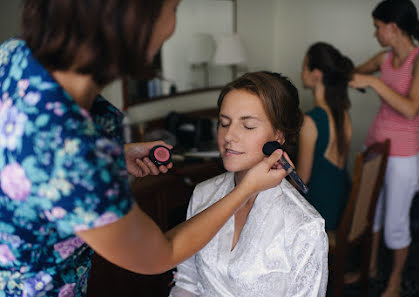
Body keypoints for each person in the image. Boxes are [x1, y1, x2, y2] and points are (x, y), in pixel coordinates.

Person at [0, 1, 289, 296]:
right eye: (173, 9)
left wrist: (110, 157)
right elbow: (164, 253)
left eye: (248, 125)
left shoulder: (14, 54)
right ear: (132, 16)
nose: (173, 28)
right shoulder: (70, 153)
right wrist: (244, 190)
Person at [169, 71, 329, 297]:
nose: (229, 136)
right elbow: (187, 283)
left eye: (248, 126)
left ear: (279, 135)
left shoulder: (304, 226)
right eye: (224, 123)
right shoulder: (203, 195)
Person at [348, 1, 419, 296]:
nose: (375, 34)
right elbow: (354, 75)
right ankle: (369, 269)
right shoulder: (383, 58)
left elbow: (411, 108)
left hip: (403, 155)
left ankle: (394, 281)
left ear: (393, 27)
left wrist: (372, 82)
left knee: (395, 223)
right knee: (370, 214)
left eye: (377, 27)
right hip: (374, 145)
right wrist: (344, 74)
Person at [297, 42, 353, 230]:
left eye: (304, 67)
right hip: (340, 205)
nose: (301, 72)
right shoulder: (343, 113)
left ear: (316, 74)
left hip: (318, 213)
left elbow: (301, 180)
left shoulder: (310, 121)